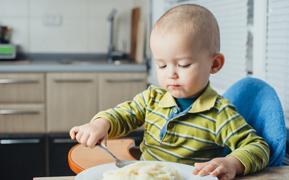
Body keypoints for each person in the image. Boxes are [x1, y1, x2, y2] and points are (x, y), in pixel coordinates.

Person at [70, 4, 270, 180]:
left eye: (183, 65)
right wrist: (100, 124)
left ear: (214, 64)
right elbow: (123, 115)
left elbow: (257, 147)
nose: (171, 74)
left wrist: (232, 163)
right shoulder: (152, 99)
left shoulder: (220, 113)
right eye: (162, 65)